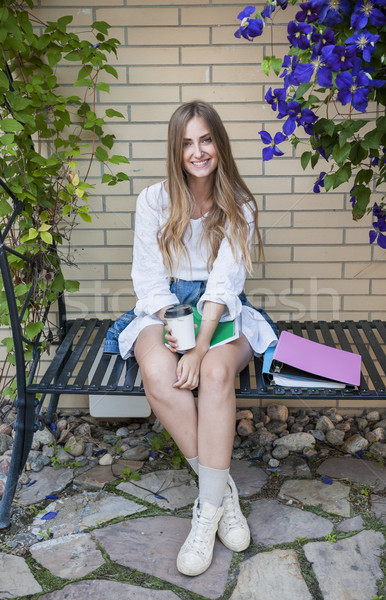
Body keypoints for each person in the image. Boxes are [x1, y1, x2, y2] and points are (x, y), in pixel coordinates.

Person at [104, 100, 277, 576]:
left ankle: (207, 512)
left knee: (217, 373)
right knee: (160, 374)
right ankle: (220, 492)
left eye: (205, 140)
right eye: (186, 143)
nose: (197, 151)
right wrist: (176, 330)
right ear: (175, 150)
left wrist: (200, 345)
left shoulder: (239, 204)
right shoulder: (153, 201)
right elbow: (150, 282)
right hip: (165, 310)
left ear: (218, 143)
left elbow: (224, 284)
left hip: (219, 310)